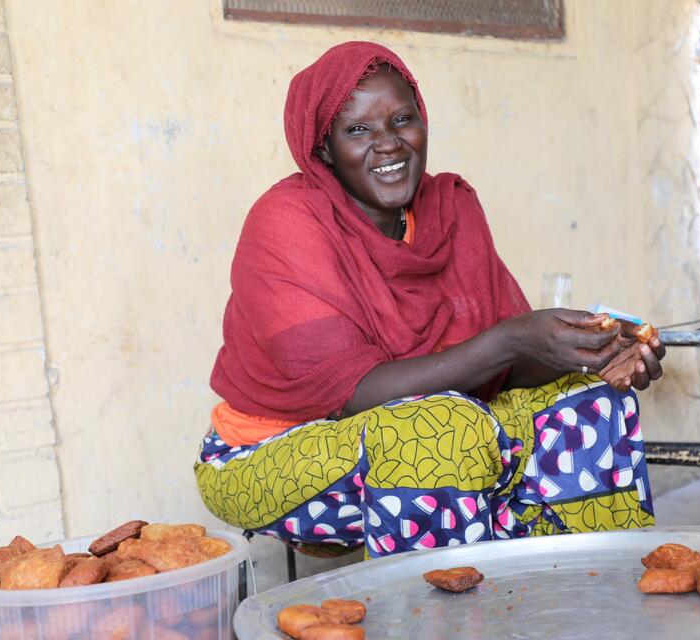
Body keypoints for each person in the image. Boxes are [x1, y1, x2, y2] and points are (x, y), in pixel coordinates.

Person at [195, 41, 665, 558]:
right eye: (357, 130)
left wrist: (589, 353)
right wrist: (511, 339)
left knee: (587, 401)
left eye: (403, 120)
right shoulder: (287, 223)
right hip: (269, 451)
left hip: (440, 425)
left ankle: (581, 592)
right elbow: (353, 394)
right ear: (324, 148)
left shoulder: (451, 209)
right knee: (441, 429)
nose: (390, 144)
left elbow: (499, 370)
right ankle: (442, 627)